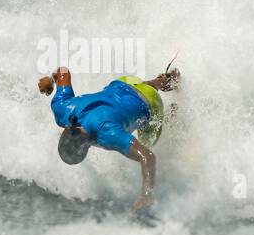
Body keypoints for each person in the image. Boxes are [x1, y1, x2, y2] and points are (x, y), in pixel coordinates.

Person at [37, 65, 180, 212]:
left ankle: (172, 115)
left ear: (86, 147)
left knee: (148, 142)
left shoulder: (106, 133)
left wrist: (146, 194)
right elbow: (63, 71)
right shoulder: (62, 110)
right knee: (131, 93)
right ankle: (160, 81)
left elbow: (148, 156)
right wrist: (49, 81)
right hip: (125, 82)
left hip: (150, 101)